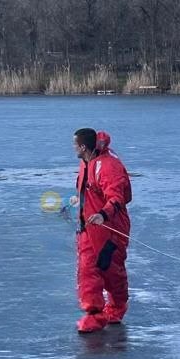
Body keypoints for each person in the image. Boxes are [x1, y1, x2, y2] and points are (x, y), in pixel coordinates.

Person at [73, 128, 132, 333]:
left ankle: (116, 308)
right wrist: (79, 201)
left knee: (111, 272)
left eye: (75, 144)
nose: (73, 148)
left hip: (110, 229)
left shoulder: (108, 166)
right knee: (87, 270)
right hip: (88, 227)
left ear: (83, 147)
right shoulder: (85, 163)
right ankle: (94, 315)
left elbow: (116, 197)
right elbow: (88, 190)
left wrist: (103, 215)